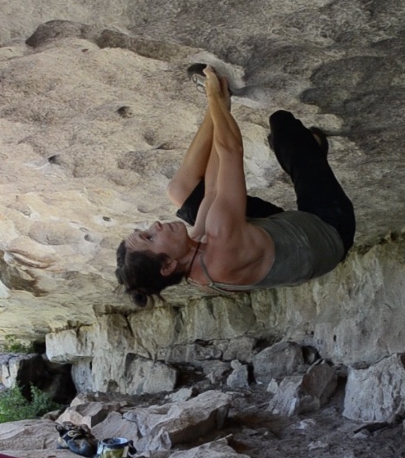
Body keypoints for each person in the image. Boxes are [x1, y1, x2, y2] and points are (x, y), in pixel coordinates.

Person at [115, 66, 355, 306]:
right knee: (283, 126)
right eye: (150, 237)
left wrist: (221, 106)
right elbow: (231, 150)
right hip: (329, 228)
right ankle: (310, 149)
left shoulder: (190, 258)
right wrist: (213, 96)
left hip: (280, 234)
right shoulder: (222, 242)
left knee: (181, 191)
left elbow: (212, 190)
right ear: (168, 265)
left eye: (145, 230)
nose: (155, 225)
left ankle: (225, 101)